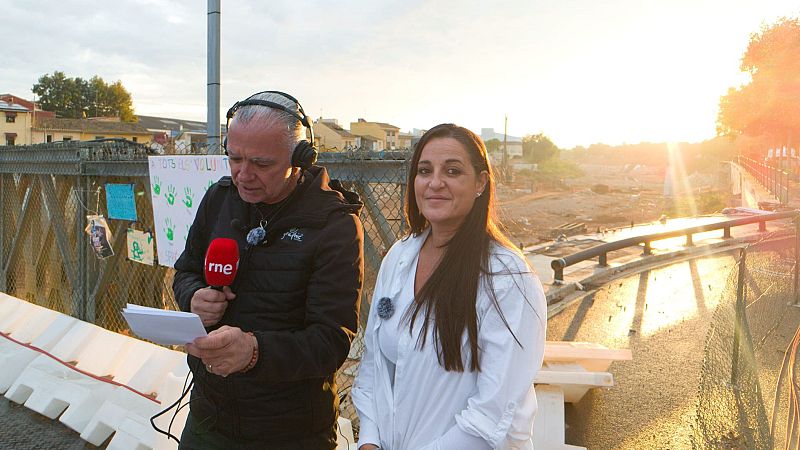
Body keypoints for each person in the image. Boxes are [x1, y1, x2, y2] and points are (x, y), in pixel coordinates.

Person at [172, 91, 364, 449]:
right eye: (235, 158)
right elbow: (184, 272)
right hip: (208, 417)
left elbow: (332, 341)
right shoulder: (218, 198)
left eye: (261, 163)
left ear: (300, 159)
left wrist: (254, 352)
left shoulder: (334, 225)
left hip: (290, 432)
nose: (244, 174)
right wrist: (193, 296)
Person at [352, 123, 547, 450]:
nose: (435, 182)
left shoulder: (507, 277)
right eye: (424, 170)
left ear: (481, 183)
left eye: (453, 171)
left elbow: (494, 415)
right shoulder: (400, 257)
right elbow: (374, 366)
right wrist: (369, 440)